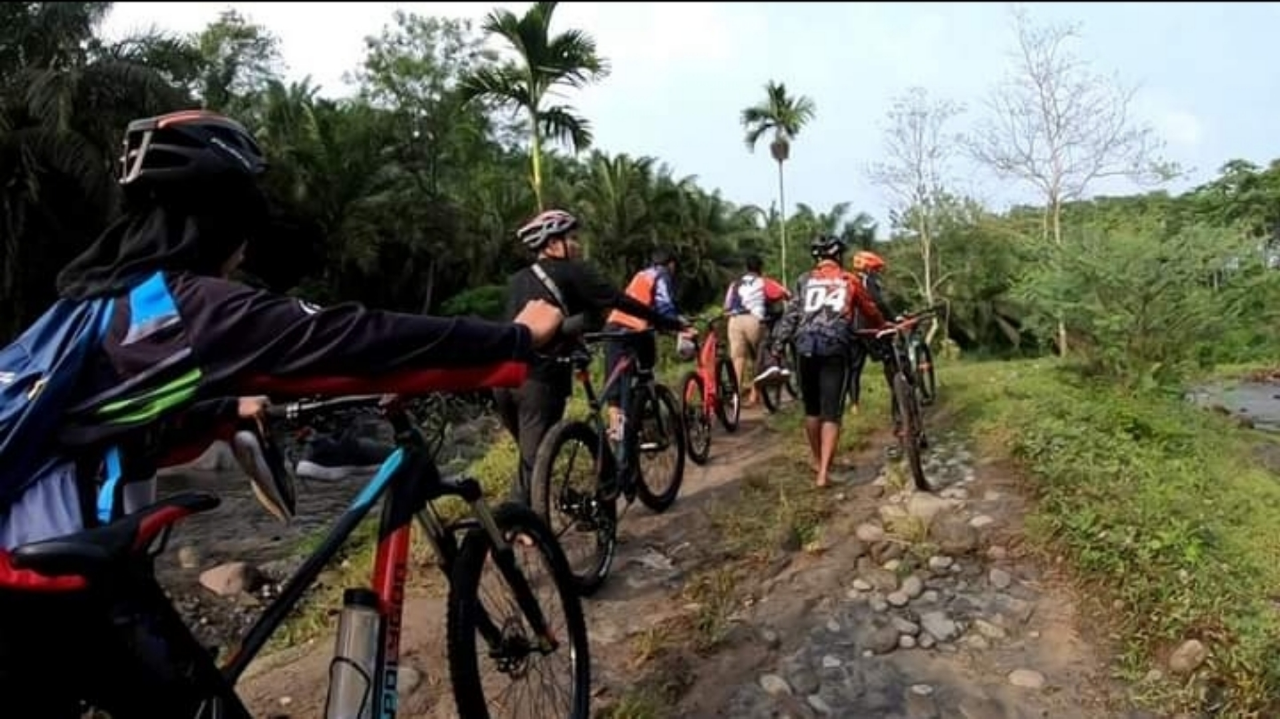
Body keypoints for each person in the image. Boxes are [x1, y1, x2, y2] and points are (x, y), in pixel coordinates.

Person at [0, 109, 564, 717]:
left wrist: (221, 411)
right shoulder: (180, 307)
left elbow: (96, 428)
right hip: (51, 577)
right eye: (244, 224)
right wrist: (513, 340)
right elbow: (349, 336)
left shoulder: (93, 306)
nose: (242, 255)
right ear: (220, 219)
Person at [493, 210, 686, 506]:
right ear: (553, 244)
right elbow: (619, 301)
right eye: (571, 238)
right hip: (539, 379)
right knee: (533, 469)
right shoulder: (574, 271)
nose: (578, 244)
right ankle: (521, 532)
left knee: (529, 460)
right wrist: (669, 323)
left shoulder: (518, 279)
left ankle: (536, 517)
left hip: (503, 378)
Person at [771, 235, 886, 488]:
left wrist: (778, 346)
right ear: (838, 257)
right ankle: (824, 474)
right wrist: (882, 326)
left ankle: (816, 461)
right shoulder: (850, 280)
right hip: (835, 347)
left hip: (804, 347)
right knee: (831, 414)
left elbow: (790, 316)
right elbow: (870, 310)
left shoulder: (804, 280)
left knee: (812, 411)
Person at [601, 249, 692, 446]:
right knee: (646, 374)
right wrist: (680, 327)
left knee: (615, 392)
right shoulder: (661, 275)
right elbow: (665, 306)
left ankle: (619, 441)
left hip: (613, 327)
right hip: (636, 331)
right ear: (671, 264)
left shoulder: (641, 275)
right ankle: (648, 422)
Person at [723, 254, 790, 406]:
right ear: (760, 268)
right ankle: (754, 396)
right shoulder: (763, 282)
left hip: (734, 321)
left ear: (746, 268)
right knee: (759, 357)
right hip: (754, 321)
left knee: (738, 359)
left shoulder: (734, 284)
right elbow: (784, 293)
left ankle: (736, 397)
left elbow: (726, 307)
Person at [847, 250, 897, 417]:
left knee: (854, 368)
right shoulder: (869, 280)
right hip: (870, 328)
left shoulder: (848, 280)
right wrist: (893, 318)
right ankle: (897, 394)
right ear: (869, 268)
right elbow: (878, 302)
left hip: (853, 330)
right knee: (889, 358)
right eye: (876, 269)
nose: (877, 272)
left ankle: (854, 405)